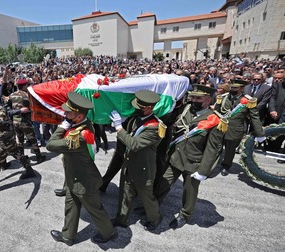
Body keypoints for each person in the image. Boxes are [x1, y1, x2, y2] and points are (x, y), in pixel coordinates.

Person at [46, 92, 117, 246]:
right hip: (75, 177)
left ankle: (109, 232)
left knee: (96, 210)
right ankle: (68, 236)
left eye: (69, 113)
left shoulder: (78, 137)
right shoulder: (84, 122)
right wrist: (69, 122)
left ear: (78, 116)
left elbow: (50, 144)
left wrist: (62, 126)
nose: (65, 114)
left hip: (85, 182)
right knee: (71, 206)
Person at [154, 84, 224, 229]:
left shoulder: (214, 119)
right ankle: (152, 207)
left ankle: (185, 214)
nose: (194, 100)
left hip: (194, 162)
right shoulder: (186, 109)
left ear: (208, 99)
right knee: (163, 183)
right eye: (192, 97)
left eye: (198, 98)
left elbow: (213, 149)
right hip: (176, 157)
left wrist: (204, 171)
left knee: (190, 191)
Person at [109, 90, 163, 231]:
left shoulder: (155, 127)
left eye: (140, 108)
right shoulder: (136, 118)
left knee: (146, 197)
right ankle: (121, 218)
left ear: (149, 108)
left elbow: (134, 144)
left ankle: (155, 219)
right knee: (125, 192)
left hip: (143, 168)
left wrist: (119, 128)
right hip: (129, 163)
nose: (136, 109)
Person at [215, 80, 265, 176]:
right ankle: (211, 166)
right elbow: (216, 112)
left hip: (235, 130)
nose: (232, 89)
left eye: (235, 88)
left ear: (242, 88)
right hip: (220, 128)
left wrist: (260, 133)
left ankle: (226, 165)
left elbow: (254, 117)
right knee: (216, 148)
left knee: (230, 151)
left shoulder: (249, 101)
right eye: (232, 87)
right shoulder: (223, 97)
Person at [7, 78, 46, 163]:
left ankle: (22, 157)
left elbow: (8, 107)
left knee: (20, 140)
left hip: (15, 121)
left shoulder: (12, 95)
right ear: (24, 86)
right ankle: (38, 156)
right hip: (25, 121)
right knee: (32, 139)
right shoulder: (27, 95)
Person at [267, 72, 285, 163]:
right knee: (277, 131)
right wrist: (272, 109)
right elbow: (272, 98)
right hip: (279, 112)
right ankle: (274, 148)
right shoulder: (278, 85)